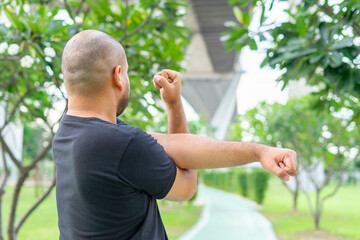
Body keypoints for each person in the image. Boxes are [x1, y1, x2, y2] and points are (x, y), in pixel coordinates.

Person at [52, 29, 297, 240]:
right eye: (126, 72)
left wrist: (173, 103)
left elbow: (174, 145)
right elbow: (187, 187)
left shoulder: (68, 133)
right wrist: (259, 151)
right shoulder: (122, 144)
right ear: (118, 76)